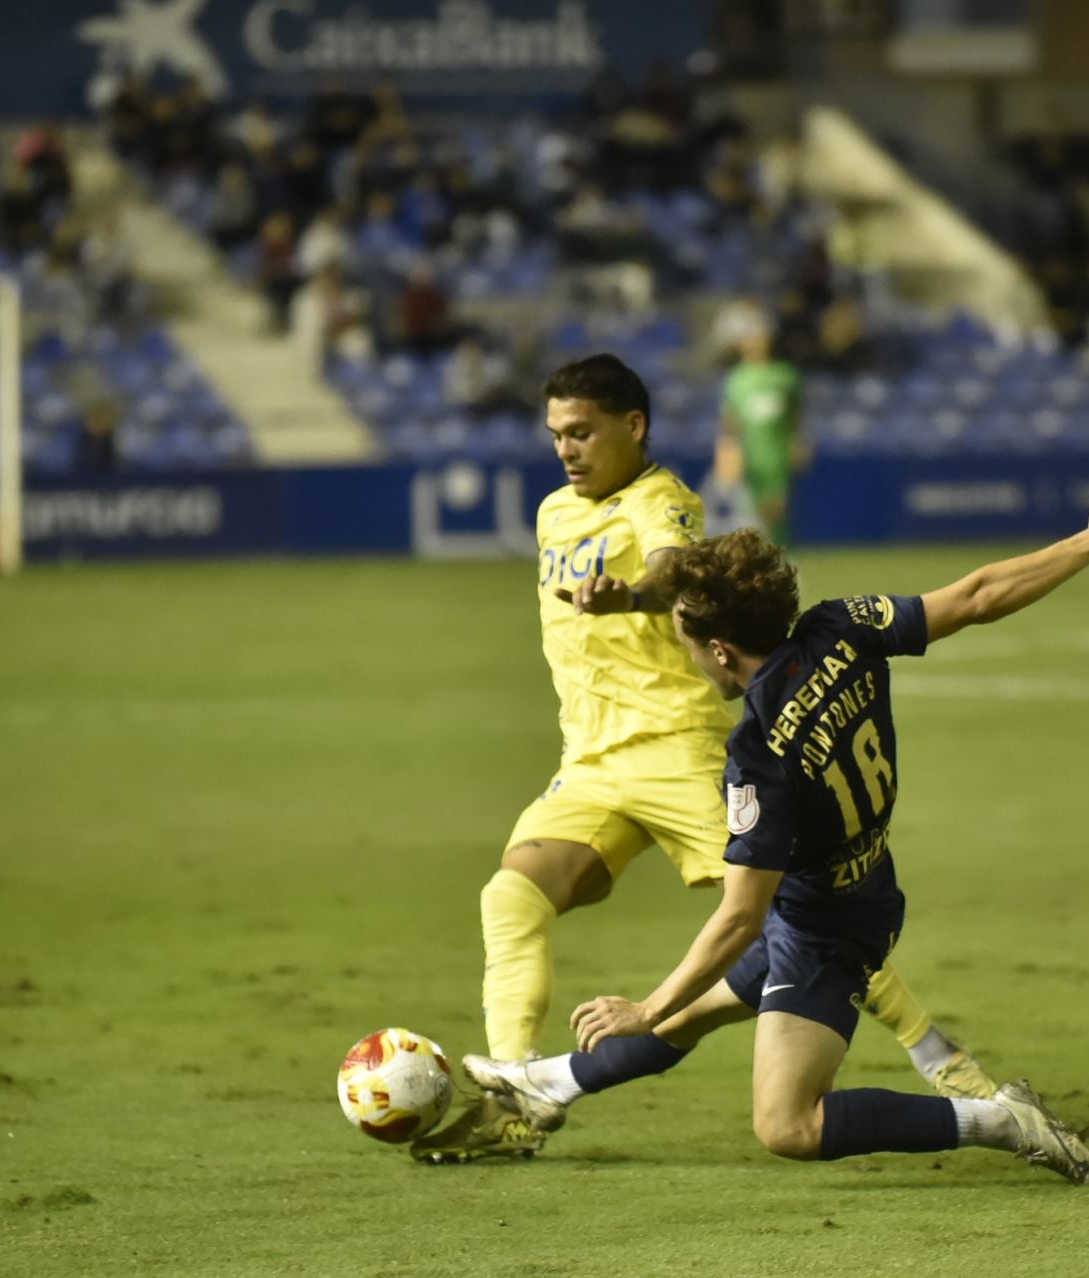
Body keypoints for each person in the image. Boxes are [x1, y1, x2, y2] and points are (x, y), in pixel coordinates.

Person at [459, 480, 1089, 1181]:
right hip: (859, 881)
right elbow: (975, 597)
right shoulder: (841, 626)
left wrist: (644, 1005)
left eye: (690, 646)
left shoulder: (756, 758)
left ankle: (1001, 1121)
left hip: (825, 929)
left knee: (786, 1123)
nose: (692, 661)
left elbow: (739, 917)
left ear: (721, 651)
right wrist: (1088, 542)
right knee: (693, 1015)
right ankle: (551, 1085)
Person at [412, 354, 998, 1163]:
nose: (566, 449)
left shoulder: (662, 501)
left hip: (679, 747)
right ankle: (518, 1091)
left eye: (581, 432)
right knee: (511, 898)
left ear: (634, 427)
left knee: (798, 910)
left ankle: (939, 1056)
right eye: (555, 435)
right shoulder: (552, 513)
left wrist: (631, 595)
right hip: (590, 761)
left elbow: (667, 568)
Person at [720, 310, 805, 544]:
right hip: (750, 453)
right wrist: (729, 450)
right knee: (753, 511)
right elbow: (730, 419)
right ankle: (763, 556)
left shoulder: (785, 375)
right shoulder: (737, 379)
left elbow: (796, 414)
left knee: (777, 506)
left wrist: (799, 442)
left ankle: (779, 550)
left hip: (778, 452)